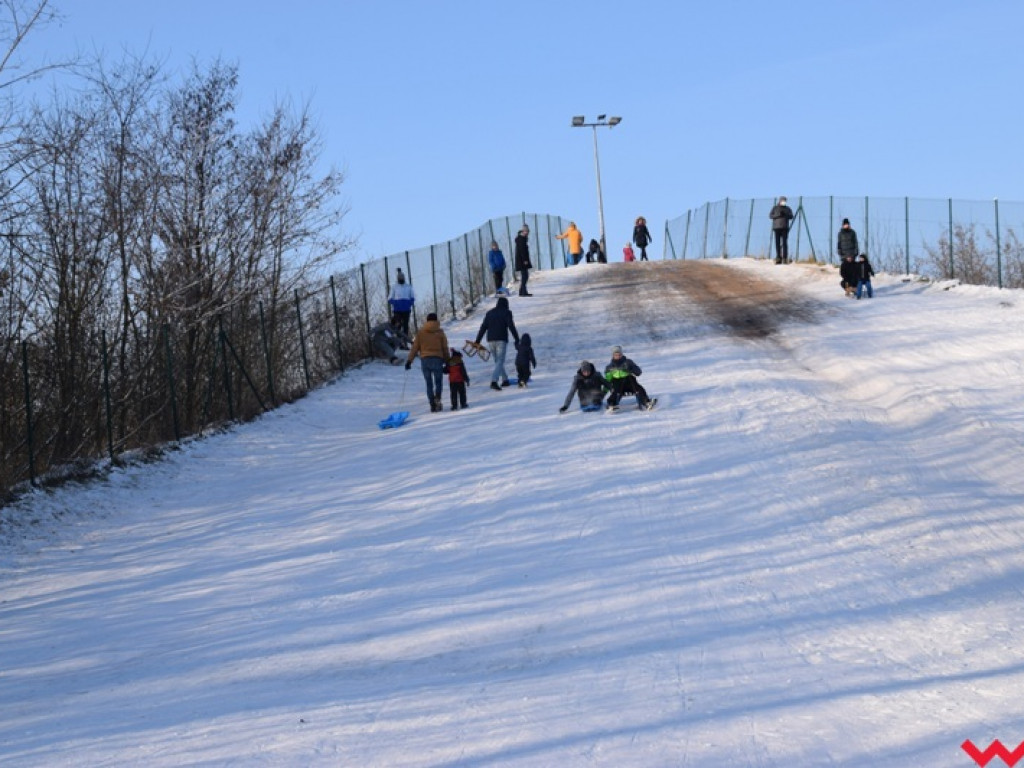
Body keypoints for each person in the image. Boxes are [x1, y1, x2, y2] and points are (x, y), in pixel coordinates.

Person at [405, 312, 450, 412]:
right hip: (438, 359)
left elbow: (415, 348)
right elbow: (445, 348)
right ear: (436, 320)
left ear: (427, 320)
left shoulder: (421, 333)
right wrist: (447, 362)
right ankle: (437, 398)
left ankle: (432, 404)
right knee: (438, 382)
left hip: (425, 360)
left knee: (428, 383)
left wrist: (409, 361)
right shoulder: (440, 333)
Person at [473, 296, 520, 390]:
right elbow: (511, 326)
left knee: (497, 361)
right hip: (501, 339)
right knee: (500, 361)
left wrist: (477, 341)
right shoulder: (507, 312)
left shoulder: (489, 313)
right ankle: (494, 381)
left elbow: (483, 327)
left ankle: (505, 380)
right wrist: (517, 338)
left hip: (490, 340)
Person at [604, 345, 654, 410]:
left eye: (619, 354)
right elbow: (608, 379)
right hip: (617, 384)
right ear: (613, 355)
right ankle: (611, 404)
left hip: (629, 382)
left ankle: (646, 402)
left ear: (622, 354)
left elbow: (638, 372)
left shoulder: (628, 362)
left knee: (639, 389)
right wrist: (604, 390)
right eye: (616, 355)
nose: (618, 356)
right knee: (615, 392)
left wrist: (631, 369)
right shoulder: (610, 367)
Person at [388, 268, 415, 337]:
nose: (401, 279)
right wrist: (395, 303)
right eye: (399, 278)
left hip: (406, 310)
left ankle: (405, 340)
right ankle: (398, 341)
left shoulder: (408, 286)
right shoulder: (394, 287)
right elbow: (389, 298)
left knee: (405, 326)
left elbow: (412, 297)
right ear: (397, 279)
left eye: (402, 277)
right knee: (398, 325)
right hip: (397, 310)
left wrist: (409, 303)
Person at [769, 196, 795, 264]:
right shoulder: (775, 208)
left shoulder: (788, 208)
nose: (784, 201)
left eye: (785, 200)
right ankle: (778, 258)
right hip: (777, 227)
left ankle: (785, 258)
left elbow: (791, 216)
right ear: (780, 201)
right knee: (777, 243)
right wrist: (778, 215)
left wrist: (785, 214)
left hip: (785, 228)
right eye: (783, 200)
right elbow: (770, 216)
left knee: (784, 243)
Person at [514, 224, 533, 296]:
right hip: (522, 261)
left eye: (528, 231)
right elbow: (522, 251)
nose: (527, 233)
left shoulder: (522, 239)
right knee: (525, 276)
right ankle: (523, 292)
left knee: (525, 276)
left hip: (521, 260)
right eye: (526, 231)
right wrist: (525, 260)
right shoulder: (521, 239)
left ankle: (522, 291)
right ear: (523, 231)